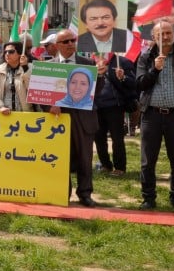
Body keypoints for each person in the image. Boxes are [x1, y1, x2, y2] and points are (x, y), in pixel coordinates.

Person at [135, 21, 174, 210]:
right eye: (160, 34)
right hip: (151, 115)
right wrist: (155, 69)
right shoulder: (145, 56)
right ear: (153, 37)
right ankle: (148, 198)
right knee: (148, 160)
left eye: (168, 33)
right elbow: (139, 84)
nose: (165, 37)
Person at [50, 33, 101, 207]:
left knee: (85, 158)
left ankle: (85, 193)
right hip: (58, 119)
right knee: (61, 158)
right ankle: (63, 193)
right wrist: (50, 106)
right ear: (57, 45)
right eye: (66, 41)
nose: (71, 44)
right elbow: (38, 95)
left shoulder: (88, 64)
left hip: (83, 118)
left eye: (73, 40)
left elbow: (97, 92)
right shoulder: (48, 67)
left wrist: (100, 76)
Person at [92, 53, 136, 176]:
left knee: (117, 138)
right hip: (95, 106)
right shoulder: (89, 62)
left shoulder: (122, 61)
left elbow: (134, 83)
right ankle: (105, 164)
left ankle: (120, 167)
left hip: (115, 106)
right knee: (99, 138)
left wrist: (122, 77)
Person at [0, 41, 32, 114]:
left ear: (20, 53)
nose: (7, 54)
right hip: (5, 115)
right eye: (5, 52)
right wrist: (0, 107)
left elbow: (33, 90)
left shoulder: (30, 68)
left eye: (11, 52)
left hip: (26, 115)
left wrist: (25, 68)